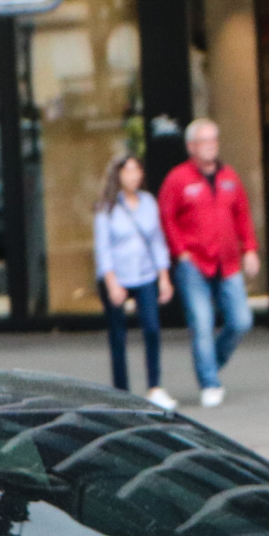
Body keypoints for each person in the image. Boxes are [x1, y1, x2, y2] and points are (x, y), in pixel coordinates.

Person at [158, 119, 259, 408]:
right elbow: (167, 218)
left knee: (241, 320)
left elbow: (242, 215)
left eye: (214, 139)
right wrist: (180, 252)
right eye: (204, 140)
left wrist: (250, 249)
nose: (211, 145)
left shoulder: (230, 177)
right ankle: (209, 382)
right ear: (191, 147)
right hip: (194, 263)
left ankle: (210, 363)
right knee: (201, 323)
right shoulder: (178, 179)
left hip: (227, 262)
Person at [91, 154, 174, 407]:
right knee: (118, 335)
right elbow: (103, 248)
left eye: (138, 170)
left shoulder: (148, 202)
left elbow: (157, 241)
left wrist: (164, 276)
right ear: (118, 175)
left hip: (145, 273)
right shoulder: (106, 207)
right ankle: (121, 391)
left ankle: (155, 386)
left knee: (151, 328)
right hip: (117, 275)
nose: (134, 176)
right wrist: (112, 283)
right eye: (129, 171)